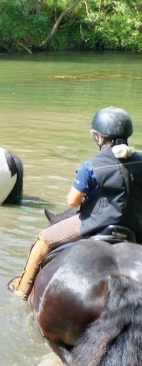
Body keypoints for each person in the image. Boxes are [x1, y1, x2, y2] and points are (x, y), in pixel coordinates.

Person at [8, 107, 142, 300]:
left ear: (99, 137)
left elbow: (73, 200)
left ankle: (21, 290)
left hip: (96, 223)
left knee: (42, 241)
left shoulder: (91, 164)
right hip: (136, 225)